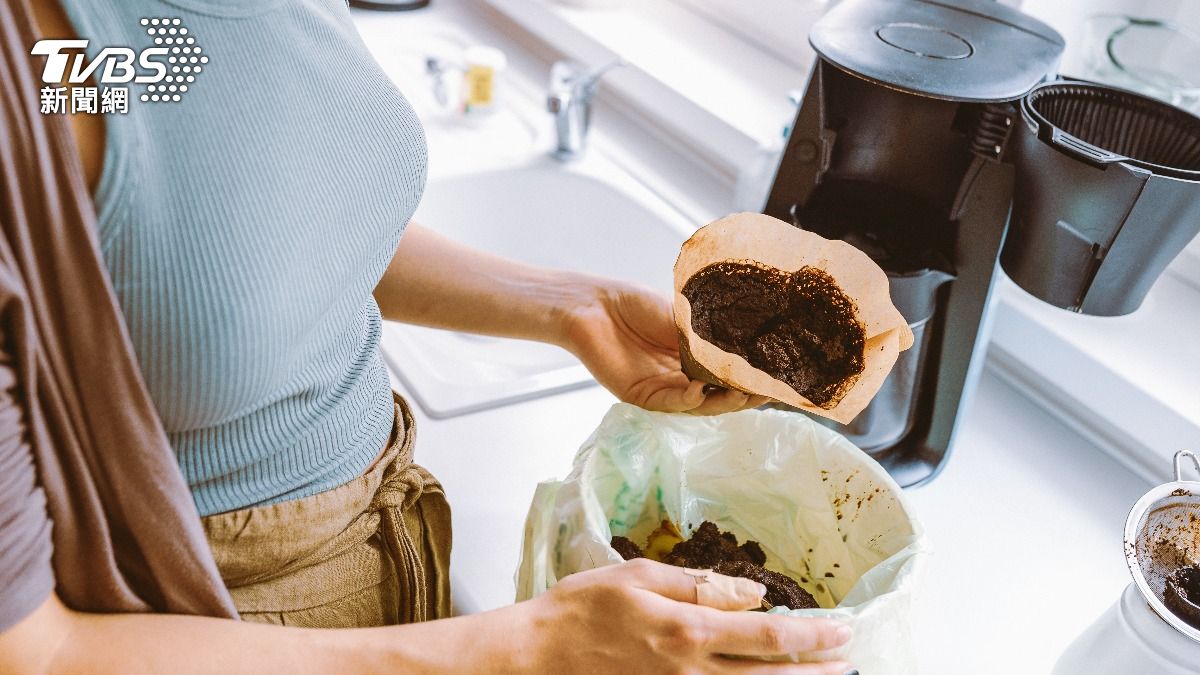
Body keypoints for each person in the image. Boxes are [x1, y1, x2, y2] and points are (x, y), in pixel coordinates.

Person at [0, 0, 857, 672]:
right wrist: (526, 648)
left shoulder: (129, 61)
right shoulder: (33, 63)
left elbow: (248, 206)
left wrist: (566, 305)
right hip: (205, 622)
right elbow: (37, 651)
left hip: (398, 564)